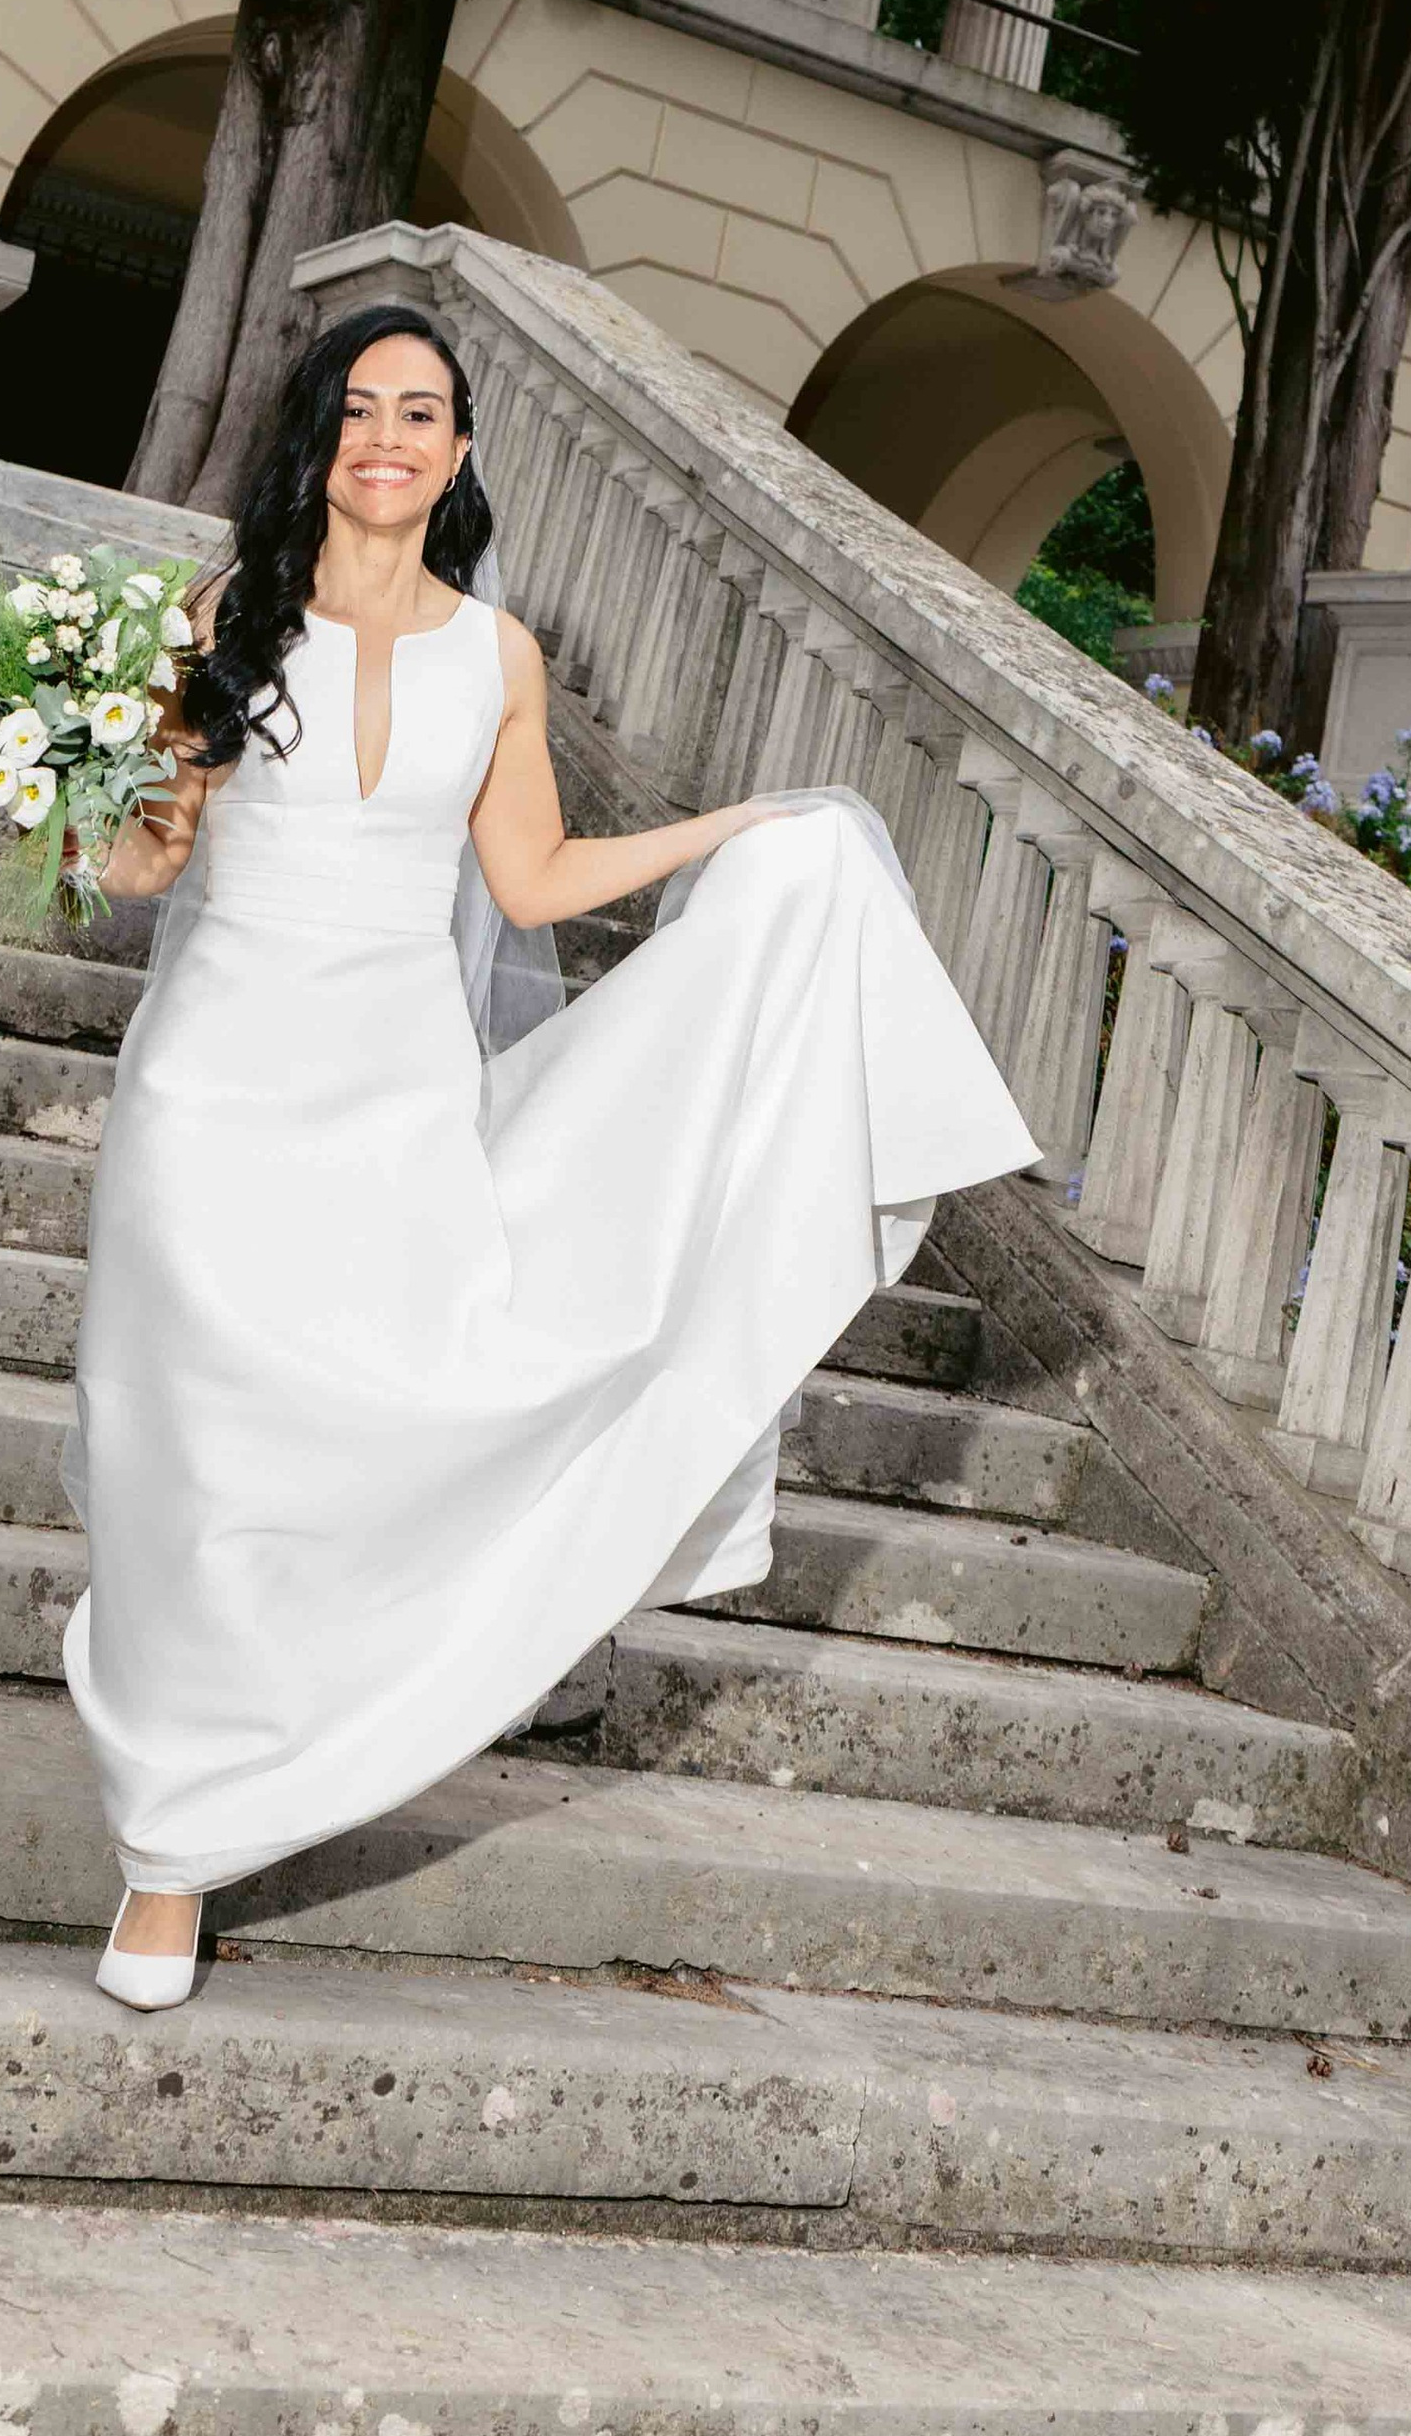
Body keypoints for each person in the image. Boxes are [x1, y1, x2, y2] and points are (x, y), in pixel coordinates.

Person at [64, 301, 1042, 2008]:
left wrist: (747, 831)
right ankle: (165, 1852)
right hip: (213, 1079)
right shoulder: (220, 617)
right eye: (359, 409)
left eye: (421, 413)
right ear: (321, 436)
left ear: (457, 451)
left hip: (394, 1089)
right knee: (195, 1447)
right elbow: (144, 875)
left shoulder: (496, 656)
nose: (387, 438)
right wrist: (65, 767)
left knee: (362, 1422)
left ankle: (297, 1731)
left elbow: (532, 883)